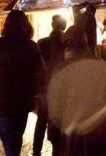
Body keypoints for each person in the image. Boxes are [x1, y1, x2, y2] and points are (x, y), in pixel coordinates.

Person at [47, 25, 106, 156]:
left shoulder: (61, 71)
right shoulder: (104, 68)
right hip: (103, 130)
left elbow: (56, 107)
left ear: (66, 47)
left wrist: (54, 134)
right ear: (86, 44)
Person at [0, 10, 43, 156]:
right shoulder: (31, 47)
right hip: (22, 101)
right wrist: (31, 92)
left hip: (4, 100)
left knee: (8, 139)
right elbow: (41, 75)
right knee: (15, 137)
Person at [32, 15, 66, 156]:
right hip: (62, 90)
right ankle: (56, 151)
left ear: (52, 25)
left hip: (45, 88)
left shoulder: (41, 43)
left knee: (41, 120)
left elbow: (35, 67)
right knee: (59, 121)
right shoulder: (66, 44)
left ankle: (36, 150)